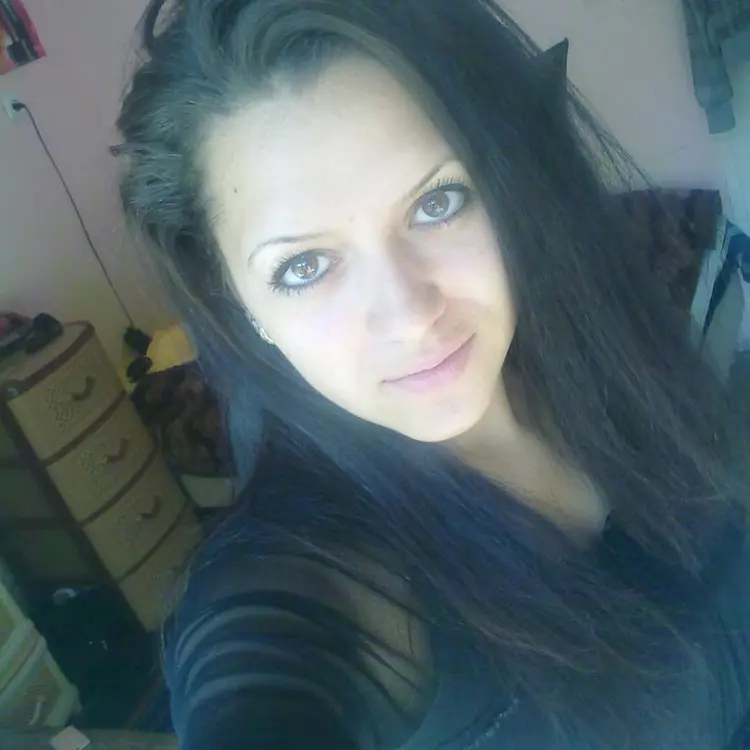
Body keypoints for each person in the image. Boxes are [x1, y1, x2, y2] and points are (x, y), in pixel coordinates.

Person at [115, 1, 750, 748]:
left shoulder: (610, 364)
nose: (410, 315)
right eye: (305, 266)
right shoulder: (310, 588)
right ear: (237, 303)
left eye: (438, 203)